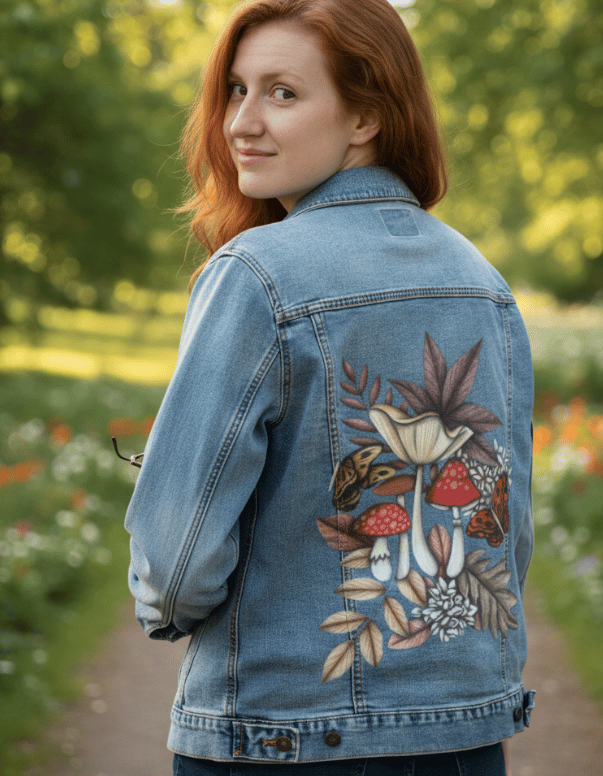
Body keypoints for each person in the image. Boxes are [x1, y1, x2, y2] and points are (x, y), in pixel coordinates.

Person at [123, 1, 535, 774]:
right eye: (236, 91)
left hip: (282, 736)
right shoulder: (484, 282)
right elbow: (504, 527)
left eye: (282, 93)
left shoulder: (256, 276)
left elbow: (176, 562)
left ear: (365, 117)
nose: (241, 122)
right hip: (464, 737)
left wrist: (165, 612)